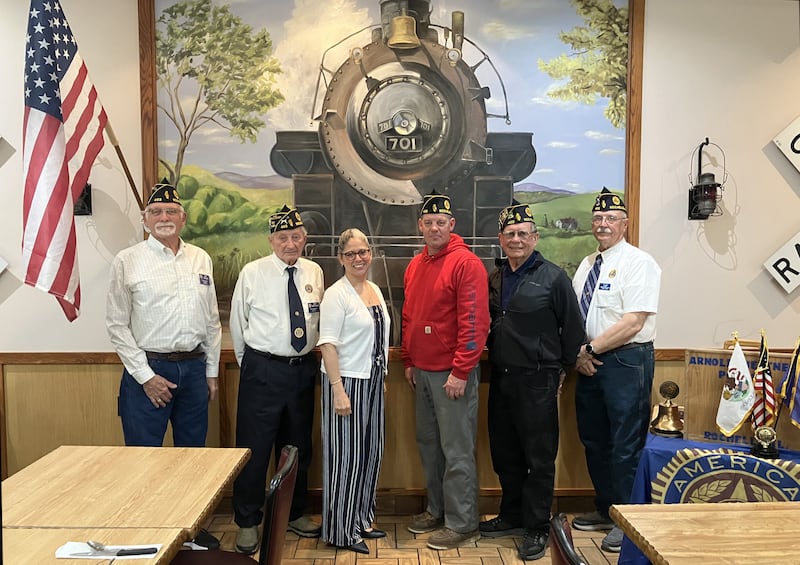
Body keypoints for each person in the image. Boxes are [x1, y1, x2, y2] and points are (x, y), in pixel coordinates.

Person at [480, 201, 585, 561]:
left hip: (538, 380)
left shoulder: (554, 278)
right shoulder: (495, 277)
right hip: (501, 378)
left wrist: (561, 369)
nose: (516, 239)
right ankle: (511, 515)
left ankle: (537, 526)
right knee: (505, 452)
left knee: (539, 458)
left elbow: (573, 328)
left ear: (535, 237)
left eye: (523, 233)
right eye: (510, 234)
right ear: (501, 239)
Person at [229, 205, 325, 554]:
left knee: (298, 446)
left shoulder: (314, 271)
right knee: (254, 449)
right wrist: (255, 366)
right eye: (283, 237)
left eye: (296, 236)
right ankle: (248, 521)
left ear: (304, 238)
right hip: (263, 369)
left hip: (302, 369)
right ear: (271, 240)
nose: (290, 243)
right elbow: (238, 325)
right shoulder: (252, 273)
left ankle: (294, 512)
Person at [570, 188, 661, 553]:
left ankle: (629, 521)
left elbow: (633, 322)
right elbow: (577, 314)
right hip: (589, 363)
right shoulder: (587, 264)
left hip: (626, 361)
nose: (603, 224)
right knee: (595, 440)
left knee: (626, 444)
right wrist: (580, 354)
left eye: (610, 218)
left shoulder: (640, 263)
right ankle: (607, 509)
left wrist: (589, 350)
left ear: (625, 224)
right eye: (598, 218)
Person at [402, 191, 490, 551]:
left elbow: (475, 322)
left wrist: (461, 370)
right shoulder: (415, 265)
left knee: (457, 450)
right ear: (420, 226)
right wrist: (409, 360)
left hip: (452, 375)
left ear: (452, 224)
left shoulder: (466, 264)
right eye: (429, 222)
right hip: (422, 372)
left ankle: (462, 522)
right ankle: (437, 510)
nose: (435, 228)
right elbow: (409, 315)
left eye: (441, 222)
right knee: (429, 445)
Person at [106, 178, 222, 448]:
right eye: (156, 211)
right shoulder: (127, 260)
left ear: (183, 218)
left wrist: (211, 372)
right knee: (143, 458)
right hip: (149, 369)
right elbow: (116, 325)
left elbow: (211, 321)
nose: (164, 217)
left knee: (193, 456)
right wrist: (146, 377)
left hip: (194, 370)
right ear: (144, 220)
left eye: (171, 211)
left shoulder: (201, 258)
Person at [318, 228, 390, 555]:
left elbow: (377, 338)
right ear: (341, 259)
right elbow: (327, 344)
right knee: (345, 458)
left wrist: (382, 374)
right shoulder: (337, 294)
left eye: (363, 252)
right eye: (351, 254)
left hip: (372, 380)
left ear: (370, 253)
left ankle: (361, 519)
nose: (358, 258)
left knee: (370, 453)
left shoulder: (373, 288)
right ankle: (341, 530)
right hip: (346, 382)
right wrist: (338, 390)